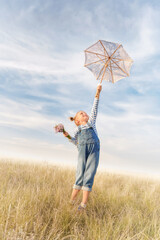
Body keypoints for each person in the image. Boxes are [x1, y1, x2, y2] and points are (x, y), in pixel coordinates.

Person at [63, 84, 102, 210]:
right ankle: (71, 201)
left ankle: (83, 205)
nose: (84, 113)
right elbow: (74, 141)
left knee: (89, 175)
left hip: (93, 151)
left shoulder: (92, 124)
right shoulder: (77, 130)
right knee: (80, 175)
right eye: (81, 113)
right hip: (82, 151)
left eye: (84, 113)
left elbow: (94, 109)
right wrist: (64, 133)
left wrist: (98, 92)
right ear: (77, 121)